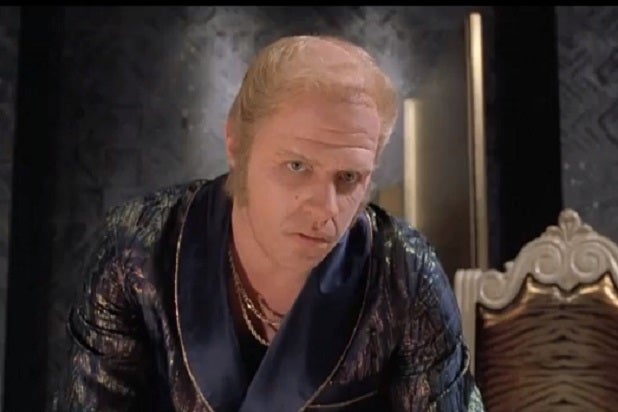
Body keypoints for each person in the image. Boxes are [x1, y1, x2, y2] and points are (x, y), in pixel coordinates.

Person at [56, 34, 484, 411]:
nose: (325, 210)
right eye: (296, 166)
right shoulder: (136, 250)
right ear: (236, 144)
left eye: (349, 178)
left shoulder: (404, 272)